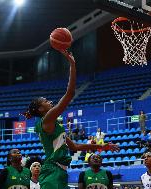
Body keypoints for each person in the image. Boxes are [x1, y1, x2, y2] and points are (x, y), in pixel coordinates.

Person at [21, 50, 119, 188]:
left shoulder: (55, 127)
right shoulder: (47, 119)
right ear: (41, 109)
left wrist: (102, 146)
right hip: (52, 171)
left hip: (59, 171)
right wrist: (72, 64)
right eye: (45, 101)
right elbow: (70, 94)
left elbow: (75, 146)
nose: (49, 101)